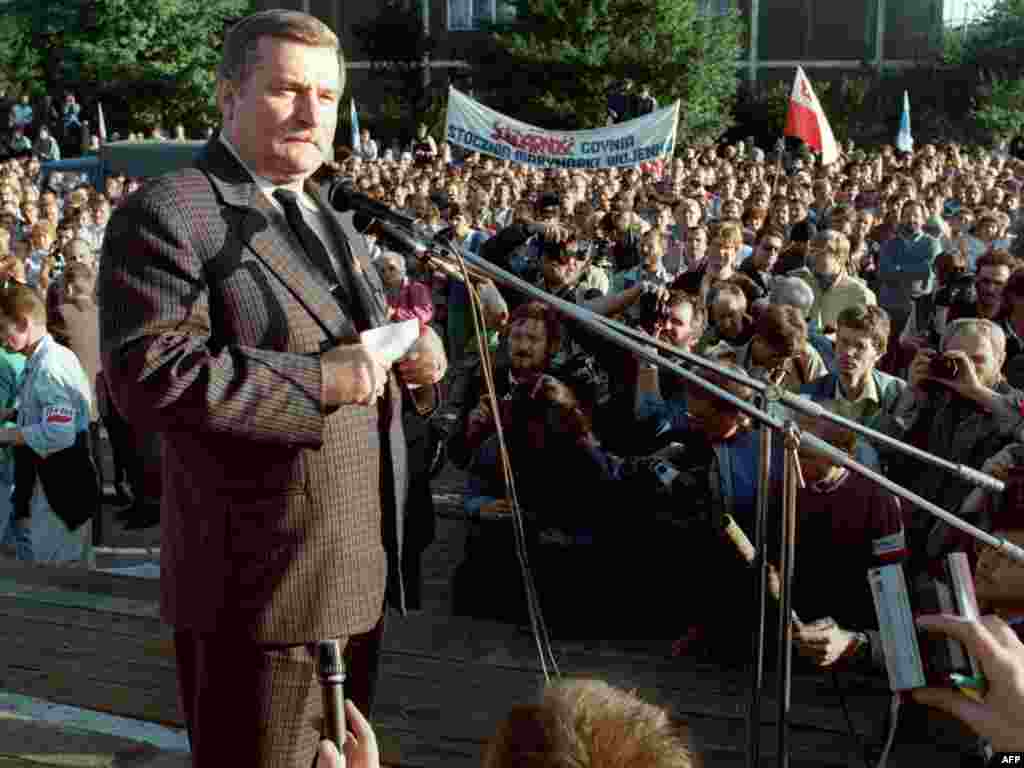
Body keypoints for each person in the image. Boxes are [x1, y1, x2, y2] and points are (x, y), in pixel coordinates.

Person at [97, 11, 445, 765]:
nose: (312, 111)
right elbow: (149, 375)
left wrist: (416, 360)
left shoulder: (332, 213)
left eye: (325, 93)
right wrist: (320, 379)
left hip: (355, 570)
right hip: (262, 588)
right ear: (228, 97)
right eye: (287, 90)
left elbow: (362, 346)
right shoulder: (169, 212)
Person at [0, 282, 94, 566]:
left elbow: (58, 433)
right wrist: (11, 416)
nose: (1, 338)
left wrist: (6, 435)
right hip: (59, 485)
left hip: (60, 490)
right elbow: (48, 413)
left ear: (24, 323)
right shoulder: (46, 359)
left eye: (3, 329)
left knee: (60, 575)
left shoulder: (49, 367)